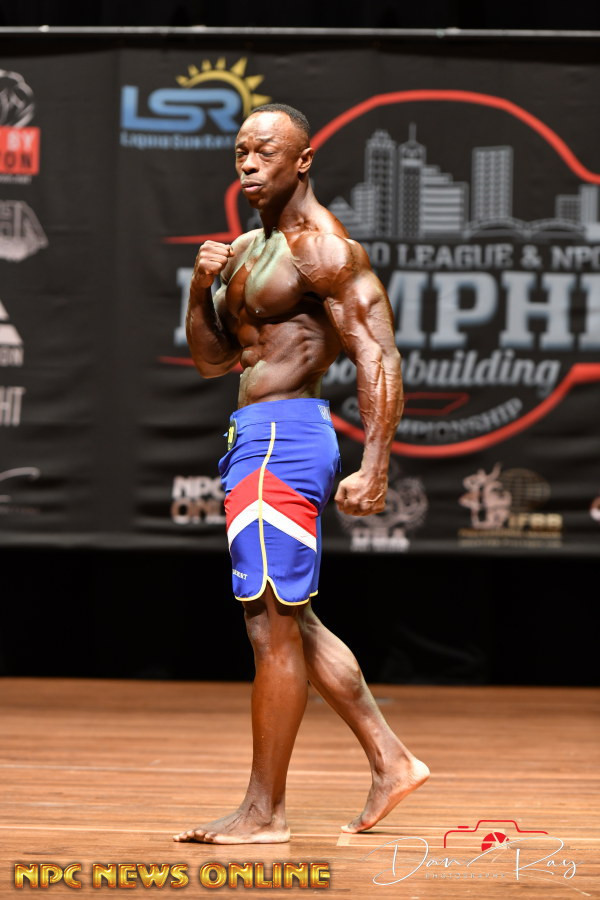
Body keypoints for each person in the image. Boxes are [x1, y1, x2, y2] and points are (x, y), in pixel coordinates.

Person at [173, 103, 429, 845]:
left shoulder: (323, 250)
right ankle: (391, 760)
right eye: (241, 152)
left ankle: (264, 812)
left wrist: (376, 464)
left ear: (303, 160)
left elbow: (378, 355)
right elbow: (215, 361)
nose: (249, 164)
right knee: (291, 616)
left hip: (285, 439)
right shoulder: (247, 250)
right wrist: (198, 287)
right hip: (252, 436)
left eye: (265, 151)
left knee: (270, 628)